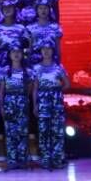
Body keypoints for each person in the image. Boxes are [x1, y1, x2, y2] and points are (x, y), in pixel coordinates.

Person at [30, 41, 69, 170]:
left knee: (57, 131)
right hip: (42, 102)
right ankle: (46, 159)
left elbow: (67, 84)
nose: (46, 52)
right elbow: (35, 88)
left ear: (53, 51)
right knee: (43, 131)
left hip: (56, 101)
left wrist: (56, 89)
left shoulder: (58, 67)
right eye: (43, 49)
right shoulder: (36, 68)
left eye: (49, 49)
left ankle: (57, 159)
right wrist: (35, 105)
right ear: (40, 52)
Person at [1, 46, 31, 171]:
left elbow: (29, 89)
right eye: (13, 51)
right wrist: (1, 106)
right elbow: (2, 90)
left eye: (18, 51)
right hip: (9, 103)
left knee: (22, 132)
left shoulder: (27, 71)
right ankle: (12, 160)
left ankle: (22, 160)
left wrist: (24, 100)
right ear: (9, 55)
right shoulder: (5, 70)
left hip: (22, 102)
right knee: (10, 132)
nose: (16, 54)